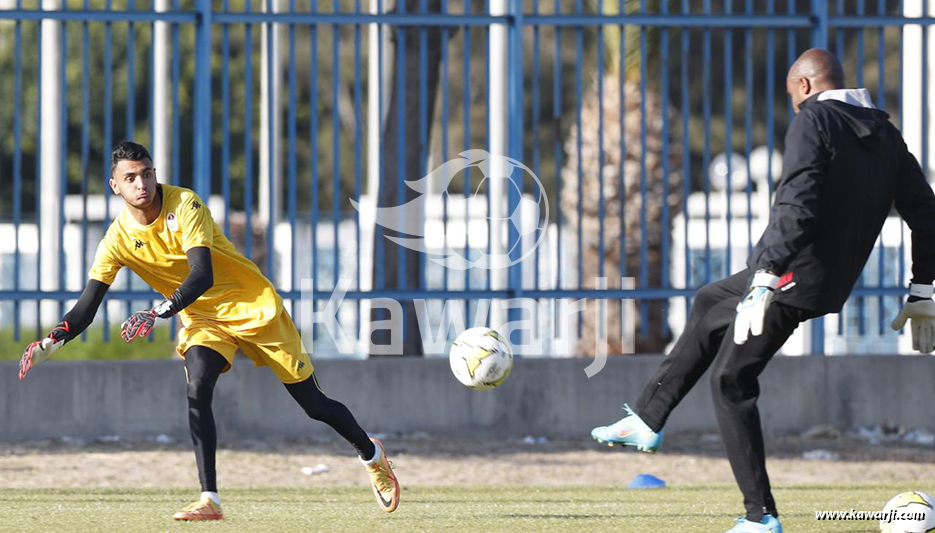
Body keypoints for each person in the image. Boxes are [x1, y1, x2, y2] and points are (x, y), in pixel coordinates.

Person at [591, 48, 935, 533]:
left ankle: (760, 517)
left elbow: (797, 202)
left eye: (793, 99)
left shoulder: (814, 120)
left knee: (732, 383)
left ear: (804, 86)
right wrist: (923, 287)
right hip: (826, 279)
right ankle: (648, 418)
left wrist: (767, 275)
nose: (794, 109)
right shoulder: (884, 132)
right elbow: (925, 211)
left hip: (793, 274)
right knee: (711, 300)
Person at [18, 141, 401, 521]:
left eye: (147, 174)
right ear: (114, 185)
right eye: (130, 178)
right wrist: (52, 341)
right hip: (203, 320)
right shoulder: (117, 239)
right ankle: (210, 499)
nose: (142, 184)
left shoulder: (185, 204)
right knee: (197, 387)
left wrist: (160, 311)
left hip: (253, 307)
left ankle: (372, 455)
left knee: (314, 405)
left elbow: (202, 274)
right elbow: (88, 303)